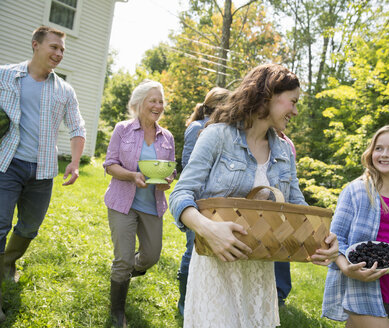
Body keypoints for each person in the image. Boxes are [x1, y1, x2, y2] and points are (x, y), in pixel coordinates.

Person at [169, 63, 339, 328]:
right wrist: (209, 230)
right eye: (292, 101)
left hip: (259, 275)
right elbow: (180, 193)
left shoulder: (283, 150)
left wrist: (323, 241)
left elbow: (299, 210)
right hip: (216, 269)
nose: (295, 110)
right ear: (269, 95)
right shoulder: (217, 135)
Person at [0, 26, 86, 322]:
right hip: (6, 165)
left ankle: (7, 263)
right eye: (54, 47)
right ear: (35, 45)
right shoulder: (5, 75)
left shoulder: (64, 90)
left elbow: (77, 127)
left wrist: (74, 162)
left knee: (29, 228)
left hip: (42, 171)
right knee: (0, 226)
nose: (59, 54)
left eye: (62, 50)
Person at [322, 125, 389, 327]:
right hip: (356, 286)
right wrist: (347, 269)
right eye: (378, 148)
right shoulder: (356, 191)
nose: (384, 154)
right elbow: (334, 240)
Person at [103, 79, 176, 327]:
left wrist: (167, 181)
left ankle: (124, 273)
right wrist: (132, 175)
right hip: (122, 202)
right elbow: (110, 164)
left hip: (152, 204)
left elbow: (171, 170)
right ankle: (117, 314)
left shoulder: (167, 137)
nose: (157, 105)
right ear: (139, 103)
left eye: (160, 101)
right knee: (122, 259)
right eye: (152, 100)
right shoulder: (123, 129)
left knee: (151, 256)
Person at [177, 86, 230, 315]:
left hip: (217, 203)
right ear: (219, 106)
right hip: (198, 202)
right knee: (193, 250)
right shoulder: (198, 128)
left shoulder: (224, 130)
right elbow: (189, 165)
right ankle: (184, 303)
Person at [274, 129, 295, 307]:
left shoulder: (286, 145)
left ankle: (280, 294)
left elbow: (291, 181)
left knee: (281, 253)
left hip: (282, 209)